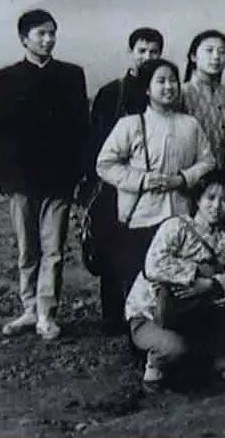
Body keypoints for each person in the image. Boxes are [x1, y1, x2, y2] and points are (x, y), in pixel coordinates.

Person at [0, 9, 88, 340]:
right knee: (27, 247)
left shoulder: (72, 76)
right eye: (41, 33)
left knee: (53, 248)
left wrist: (81, 174)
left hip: (59, 177)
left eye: (52, 33)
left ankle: (46, 313)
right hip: (21, 178)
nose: (48, 39)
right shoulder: (6, 78)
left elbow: (80, 129)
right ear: (24, 39)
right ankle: (29, 307)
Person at [97, 59, 216, 332]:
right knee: (140, 279)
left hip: (180, 216)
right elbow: (105, 164)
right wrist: (142, 180)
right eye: (160, 81)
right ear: (147, 89)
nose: (168, 87)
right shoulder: (131, 125)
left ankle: (173, 337)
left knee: (177, 281)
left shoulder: (190, 125)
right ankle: (140, 336)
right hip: (142, 217)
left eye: (173, 80)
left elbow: (208, 161)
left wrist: (182, 179)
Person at [124, 171, 225, 392]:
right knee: (176, 349)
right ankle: (154, 363)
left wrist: (211, 284)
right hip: (154, 312)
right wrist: (195, 273)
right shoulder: (176, 227)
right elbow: (154, 265)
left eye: (224, 200)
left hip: (195, 309)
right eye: (210, 198)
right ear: (198, 199)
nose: (216, 206)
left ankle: (221, 361)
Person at [86, 27, 165, 334]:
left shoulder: (164, 89)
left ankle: (143, 314)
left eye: (154, 52)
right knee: (111, 247)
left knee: (147, 248)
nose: (147, 57)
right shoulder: (112, 92)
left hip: (152, 186)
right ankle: (112, 315)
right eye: (142, 51)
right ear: (131, 52)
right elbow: (96, 141)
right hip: (114, 184)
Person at [181, 30, 225, 169]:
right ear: (193, 56)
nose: (216, 57)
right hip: (192, 173)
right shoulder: (181, 93)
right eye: (209, 51)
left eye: (222, 52)